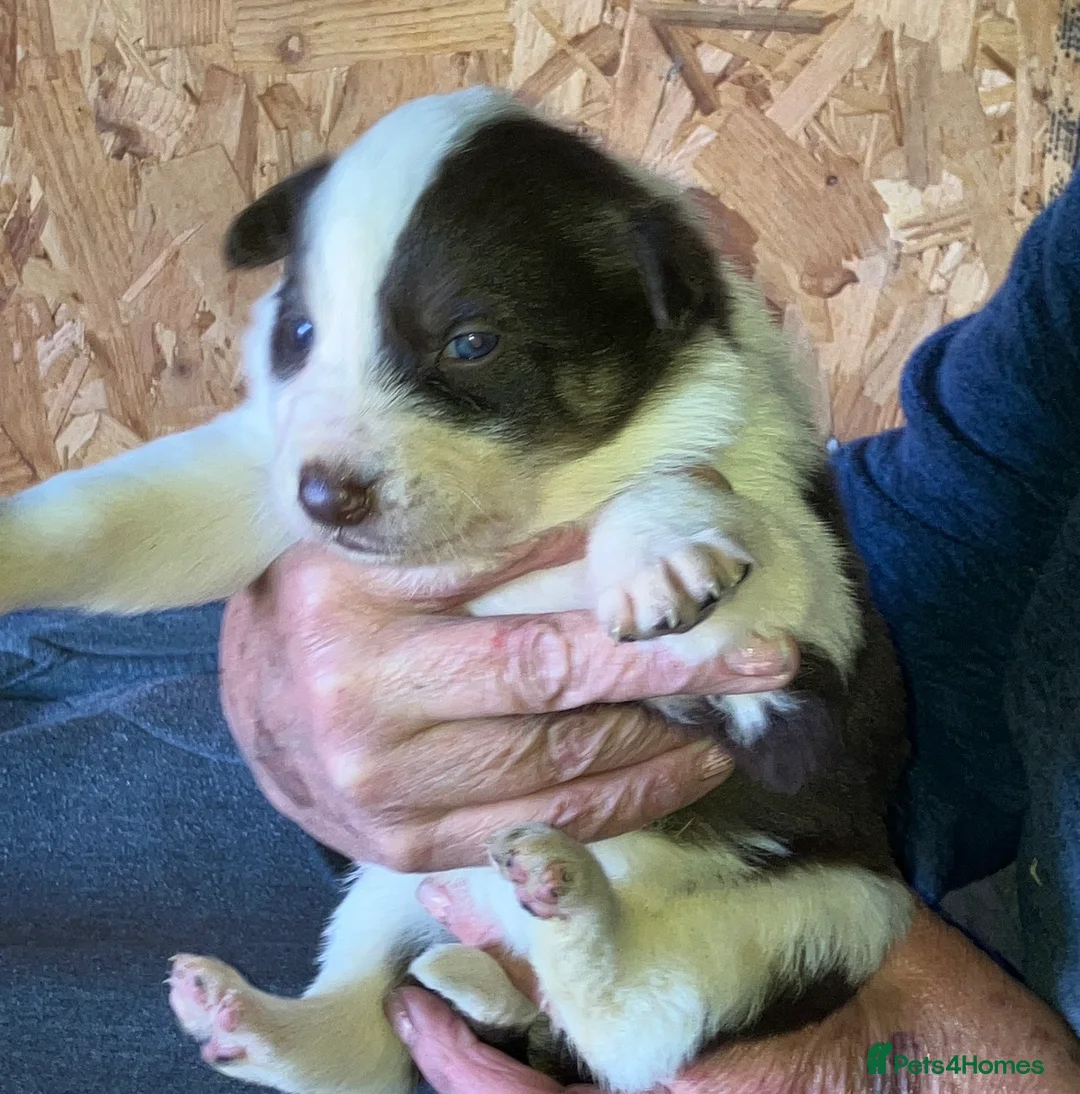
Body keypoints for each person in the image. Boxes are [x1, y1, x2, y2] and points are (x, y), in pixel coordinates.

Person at [4, 167, 1080, 1094]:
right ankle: (369, 1020)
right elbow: (964, 502)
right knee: (382, 916)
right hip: (746, 825)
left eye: (465, 343)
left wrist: (944, 1058)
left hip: (775, 912)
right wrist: (281, 640)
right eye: (308, 331)